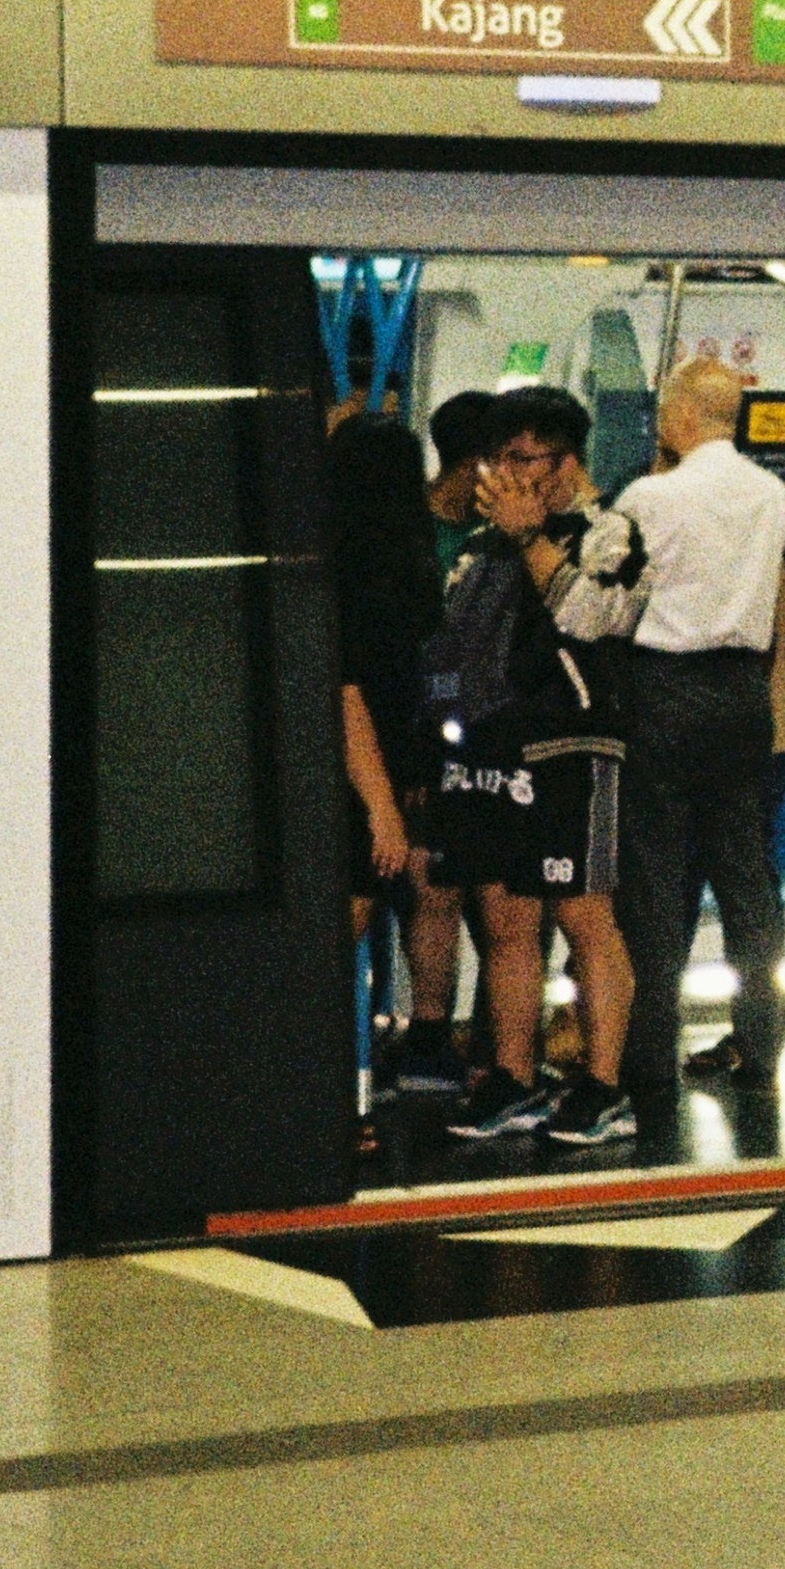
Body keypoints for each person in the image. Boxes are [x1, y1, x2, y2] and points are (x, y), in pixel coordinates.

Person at [430, 388, 649, 1150]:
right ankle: (513, 1075)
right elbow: (447, 645)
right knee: (504, 920)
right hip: (487, 751)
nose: (511, 477)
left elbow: (594, 619)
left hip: (571, 746)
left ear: (566, 461)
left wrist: (529, 539)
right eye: (500, 461)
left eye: (526, 459)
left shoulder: (611, 531)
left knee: (584, 915)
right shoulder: (478, 546)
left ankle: (605, 1084)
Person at [612, 356, 785, 1101]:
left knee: (655, 878)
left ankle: (649, 1052)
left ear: (682, 415)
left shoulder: (648, 495)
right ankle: (762, 1037)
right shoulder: (772, 493)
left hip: (662, 688)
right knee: (747, 875)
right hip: (742, 693)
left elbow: (618, 590)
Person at [321, 400, 460, 1089]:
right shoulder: (416, 567)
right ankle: (429, 1043)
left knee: (344, 911)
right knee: (429, 893)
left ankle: (302, 1066)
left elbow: (347, 689)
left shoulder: (332, 567)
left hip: (347, 763)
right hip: (409, 758)